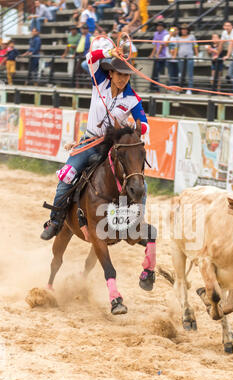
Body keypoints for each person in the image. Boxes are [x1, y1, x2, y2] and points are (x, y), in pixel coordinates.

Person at [40, 44, 149, 241]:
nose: (123, 79)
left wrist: (131, 128)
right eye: (119, 74)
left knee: (140, 183)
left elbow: (145, 126)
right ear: (111, 73)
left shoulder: (133, 99)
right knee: (67, 177)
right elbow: (90, 58)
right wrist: (109, 53)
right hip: (89, 142)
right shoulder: (99, 81)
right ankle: (55, 221)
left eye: (126, 75)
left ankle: (137, 224)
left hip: (111, 147)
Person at [177, 23, 197, 94]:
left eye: (185, 29)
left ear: (187, 30)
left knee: (190, 74)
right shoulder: (178, 38)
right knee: (180, 74)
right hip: (181, 57)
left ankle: (189, 89)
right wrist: (174, 55)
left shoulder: (191, 36)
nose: (183, 31)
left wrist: (196, 55)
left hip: (189, 57)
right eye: (182, 29)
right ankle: (180, 89)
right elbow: (176, 47)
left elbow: (195, 45)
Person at [149, 21, 168, 92]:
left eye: (160, 26)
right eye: (158, 26)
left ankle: (158, 88)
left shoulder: (166, 33)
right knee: (156, 72)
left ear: (163, 27)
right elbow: (155, 45)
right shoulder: (156, 33)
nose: (159, 27)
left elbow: (162, 45)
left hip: (165, 56)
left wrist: (157, 54)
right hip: (158, 57)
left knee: (163, 72)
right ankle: (156, 89)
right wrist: (151, 55)